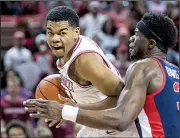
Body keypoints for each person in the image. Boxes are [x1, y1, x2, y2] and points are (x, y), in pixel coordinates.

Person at [24, 12, 179, 137]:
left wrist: (63, 111)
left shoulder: (143, 67)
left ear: (151, 44)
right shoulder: (176, 71)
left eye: (137, 34)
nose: (131, 39)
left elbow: (121, 120)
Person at [25, 6, 125, 137]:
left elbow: (123, 97)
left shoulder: (85, 62)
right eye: (50, 32)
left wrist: (69, 110)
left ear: (76, 32)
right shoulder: (68, 48)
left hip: (116, 129)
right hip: (95, 123)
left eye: (62, 33)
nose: (55, 38)